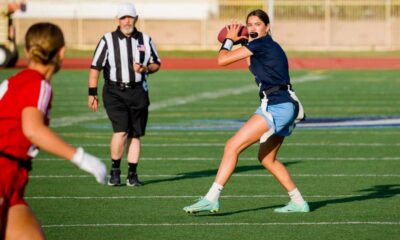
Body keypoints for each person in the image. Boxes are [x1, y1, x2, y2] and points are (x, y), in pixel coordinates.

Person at [183, 9, 309, 214]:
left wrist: (229, 40)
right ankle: (298, 202)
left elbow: (222, 60)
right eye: (249, 24)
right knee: (267, 159)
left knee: (232, 146)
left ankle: (211, 198)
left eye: (257, 24)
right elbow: (252, 65)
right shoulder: (264, 46)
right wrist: (242, 42)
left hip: (276, 104)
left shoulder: (262, 43)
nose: (252, 28)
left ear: (267, 27)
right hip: (286, 104)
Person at [0, 23, 107, 240]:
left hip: (13, 182)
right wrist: (81, 158)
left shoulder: (16, 81)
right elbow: (33, 129)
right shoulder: (37, 84)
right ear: (61, 52)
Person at [88, 3, 161, 187]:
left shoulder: (145, 39)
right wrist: (92, 93)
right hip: (114, 91)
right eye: (123, 18)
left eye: (130, 17)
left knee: (135, 134)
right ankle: (115, 171)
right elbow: (95, 68)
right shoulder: (107, 40)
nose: (127, 21)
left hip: (138, 91)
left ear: (136, 18)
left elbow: (156, 64)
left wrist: (146, 68)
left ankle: (132, 174)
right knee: (121, 131)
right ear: (117, 20)